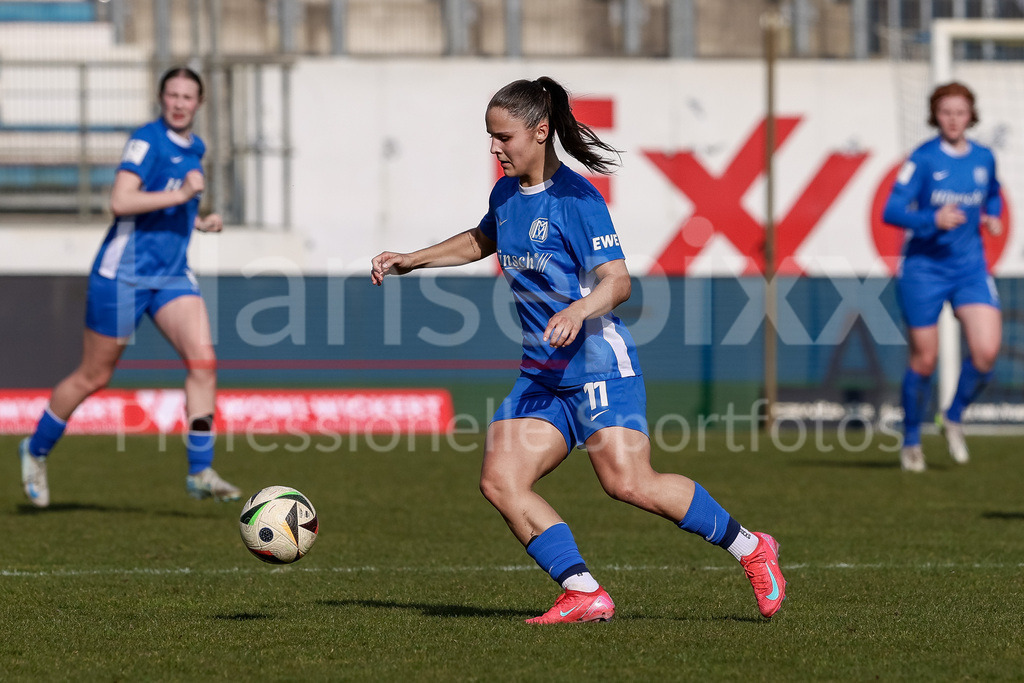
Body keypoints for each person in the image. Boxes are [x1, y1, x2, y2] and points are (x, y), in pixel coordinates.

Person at [370, 77, 786, 623]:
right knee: (500, 480)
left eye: (503, 137)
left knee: (628, 483)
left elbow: (618, 282)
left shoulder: (578, 200)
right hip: (542, 376)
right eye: (490, 137)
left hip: (596, 367)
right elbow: (483, 238)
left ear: (541, 133)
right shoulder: (506, 193)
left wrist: (577, 309)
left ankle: (751, 548)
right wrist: (412, 259)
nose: (494, 148)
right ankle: (583, 591)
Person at [18, 66, 242, 507]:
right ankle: (35, 449)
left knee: (204, 363)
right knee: (94, 375)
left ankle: (200, 471)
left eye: (188, 96)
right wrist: (182, 198)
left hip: (172, 274)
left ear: (200, 103)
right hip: (123, 275)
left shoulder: (195, 146)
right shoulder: (146, 140)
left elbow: (167, 205)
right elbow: (121, 201)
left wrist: (198, 219)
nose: (179, 103)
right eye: (172, 95)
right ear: (161, 99)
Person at [883, 82, 1003, 473]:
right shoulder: (922, 159)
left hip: (970, 269)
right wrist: (931, 219)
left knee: (986, 353)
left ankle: (952, 416)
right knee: (925, 360)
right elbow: (892, 211)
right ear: (935, 115)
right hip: (924, 270)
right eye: (946, 112)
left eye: (961, 112)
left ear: (971, 115)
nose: (953, 119)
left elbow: (993, 194)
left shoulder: (984, 157)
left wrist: (994, 214)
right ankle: (912, 440)